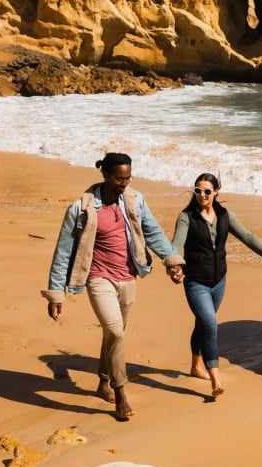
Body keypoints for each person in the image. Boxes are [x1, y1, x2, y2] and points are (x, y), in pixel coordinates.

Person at [43, 152, 183, 421]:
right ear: (105, 175)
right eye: (120, 179)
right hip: (98, 277)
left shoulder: (135, 201)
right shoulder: (81, 209)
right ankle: (120, 393)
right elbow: (63, 251)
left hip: (128, 277)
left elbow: (153, 232)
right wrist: (56, 293)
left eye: (128, 178)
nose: (125, 183)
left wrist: (172, 261)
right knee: (116, 330)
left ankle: (103, 380)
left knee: (113, 334)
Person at [170, 172, 262, 399]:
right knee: (210, 324)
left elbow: (247, 236)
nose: (202, 195)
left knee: (203, 323)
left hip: (219, 281)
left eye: (207, 191)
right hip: (196, 282)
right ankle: (215, 381)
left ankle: (195, 366)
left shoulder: (224, 215)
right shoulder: (186, 217)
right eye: (198, 190)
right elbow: (177, 246)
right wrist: (176, 266)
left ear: (216, 192)